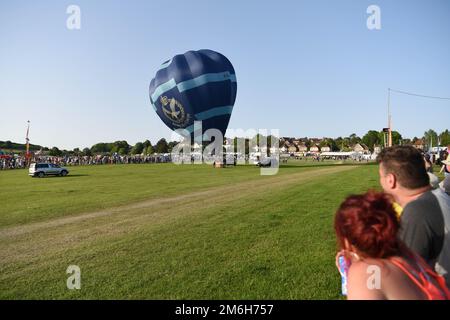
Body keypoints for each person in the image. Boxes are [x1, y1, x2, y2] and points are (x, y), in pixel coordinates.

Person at [334, 191, 450, 299]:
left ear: (347, 242)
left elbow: (370, 284)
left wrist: (351, 274)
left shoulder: (365, 271)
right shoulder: (409, 255)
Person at [377, 146, 445, 266]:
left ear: (390, 180)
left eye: (381, 177)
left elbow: (404, 271)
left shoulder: (416, 211)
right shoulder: (439, 195)